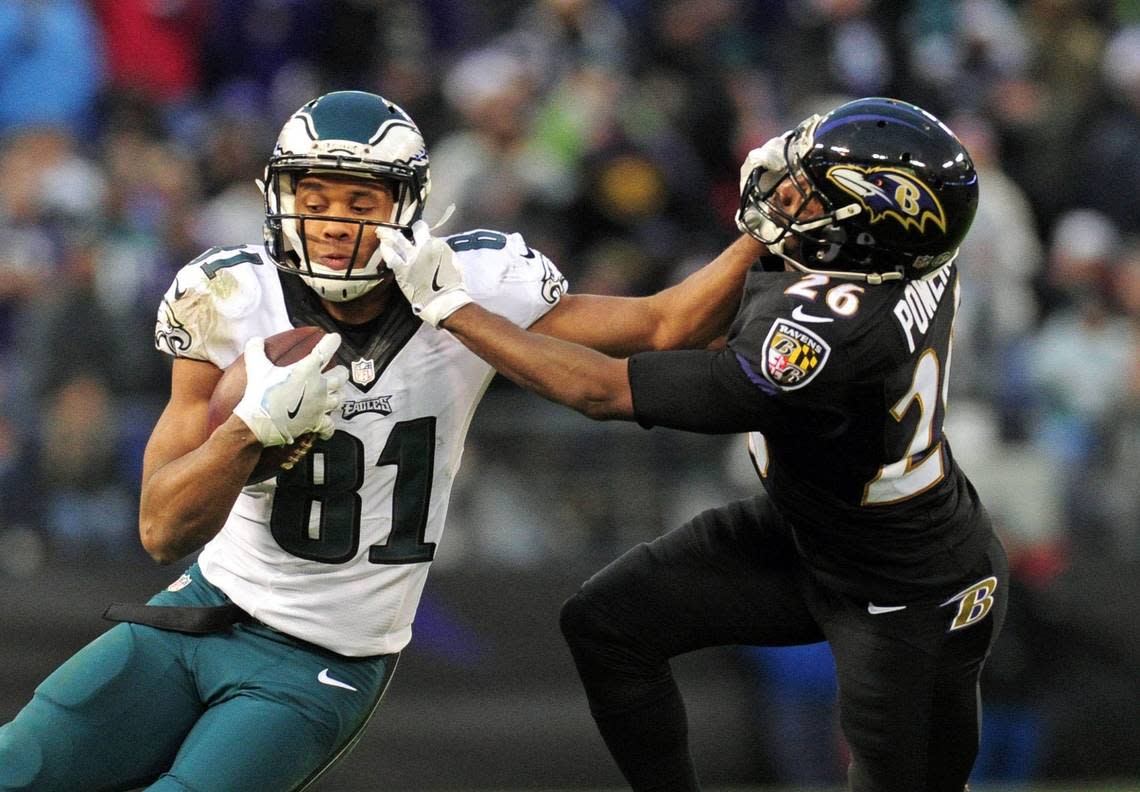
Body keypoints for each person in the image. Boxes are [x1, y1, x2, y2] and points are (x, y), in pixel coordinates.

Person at [0, 90, 764, 791]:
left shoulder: (478, 280)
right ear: (279, 198)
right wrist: (249, 432)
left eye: (360, 200)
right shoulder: (229, 296)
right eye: (315, 196)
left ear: (407, 208)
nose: (333, 221)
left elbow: (666, 326)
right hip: (201, 610)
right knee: (18, 765)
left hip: (320, 662)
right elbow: (161, 528)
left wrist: (759, 231)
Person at [385, 97, 1008, 792]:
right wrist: (767, 227)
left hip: (909, 590)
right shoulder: (892, 263)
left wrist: (454, 313)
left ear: (868, 228)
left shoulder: (822, 338)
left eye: (813, 190)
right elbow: (685, 321)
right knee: (608, 626)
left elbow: (607, 389)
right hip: (809, 533)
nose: (790, 193)